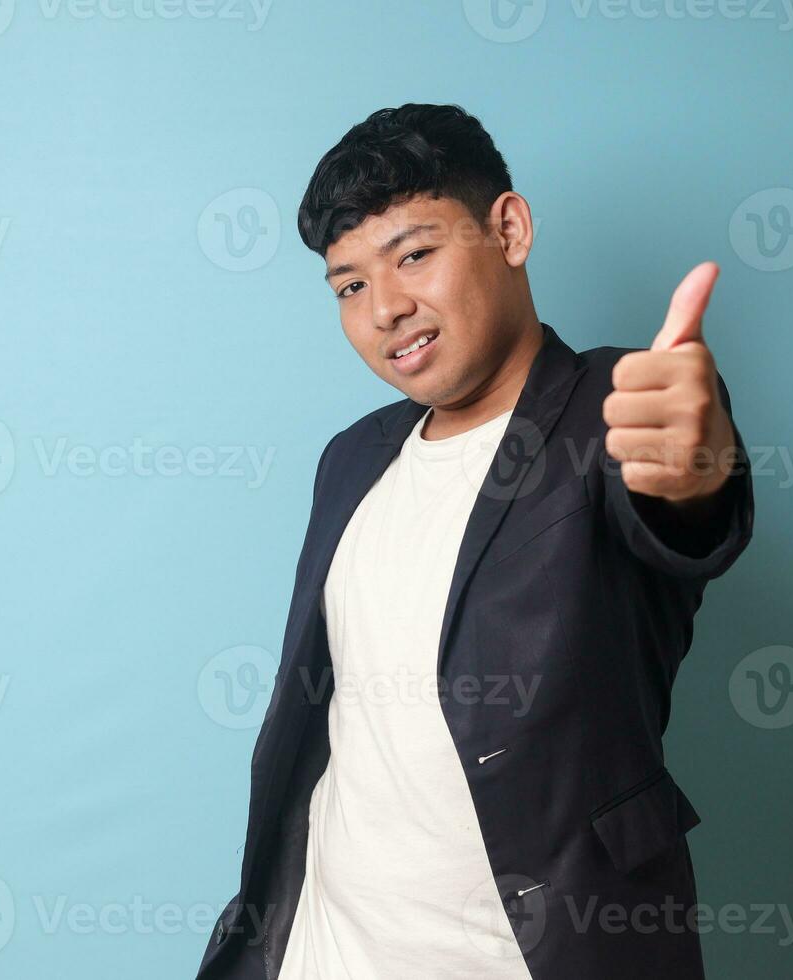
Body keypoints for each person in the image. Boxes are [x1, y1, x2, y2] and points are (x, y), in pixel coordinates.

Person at [196, 102, 755, 980]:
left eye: (414, 254)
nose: (387, 307)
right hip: (321, 954)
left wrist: (692, 466)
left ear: (509, 229)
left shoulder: (612, 409)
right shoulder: (352, 460)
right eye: (349, 285)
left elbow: (682, 510)